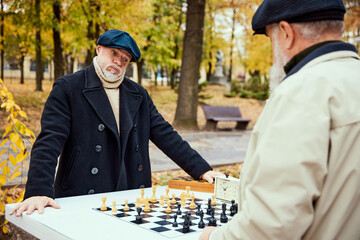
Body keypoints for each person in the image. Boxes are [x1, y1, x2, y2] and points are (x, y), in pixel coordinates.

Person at [10, 29, 222, 217]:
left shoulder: (138, 94)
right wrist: (39, 190)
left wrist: (202, 170)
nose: (118, 62)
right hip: (82, 190)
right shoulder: (69, 87)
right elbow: (49, 140)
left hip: (129, 189)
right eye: (114, 53)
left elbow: (166, 135)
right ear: (99, 49)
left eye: (125, 59)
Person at [200, 0, 360, 239]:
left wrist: (211, 237)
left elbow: (272, 225)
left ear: (286, 33)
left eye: (270, 38)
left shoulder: (302, 91)